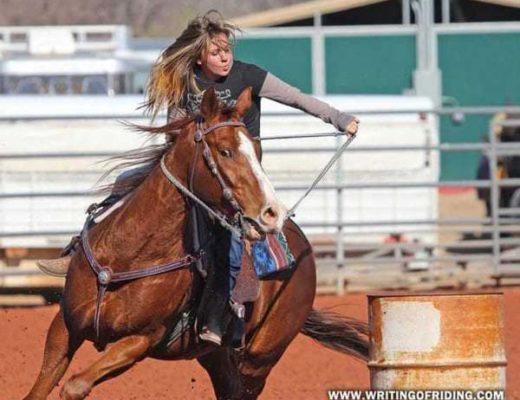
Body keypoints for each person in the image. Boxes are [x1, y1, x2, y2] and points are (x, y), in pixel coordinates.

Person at [38, 10, 359, 345]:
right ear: (200, 57)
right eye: (216, 52)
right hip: (192, 171)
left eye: (227, 50)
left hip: (240, 175)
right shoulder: (186, 83)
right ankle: (78, 252)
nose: (224, 58)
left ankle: (224, 311)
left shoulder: (250, 76)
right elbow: (173, 135)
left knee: (233, 237)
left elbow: (297, 97)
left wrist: (339, 119)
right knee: (124, 182)